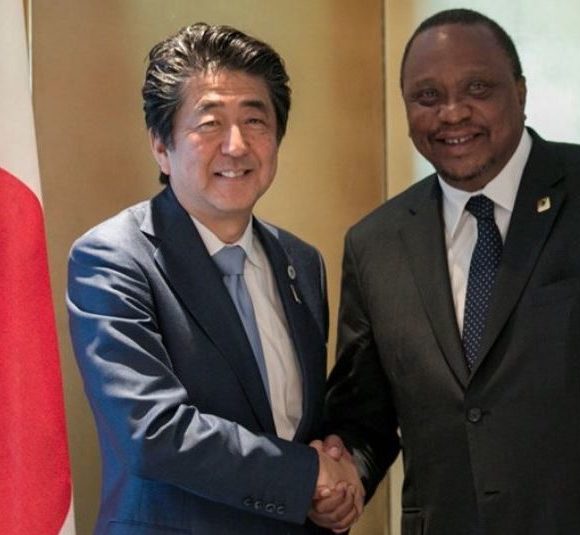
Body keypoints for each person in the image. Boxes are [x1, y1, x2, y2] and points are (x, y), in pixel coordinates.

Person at [320, 8, 580, 534]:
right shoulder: (374, 244)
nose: (452, 113)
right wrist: (340, 474)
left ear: (520, 92)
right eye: (426, 97)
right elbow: (364, 419)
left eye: (477, 87)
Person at [67, 23, 361, 535]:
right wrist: (308, 475)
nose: (236, 144)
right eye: (209, 123)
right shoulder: (112, 258)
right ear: (161, 145)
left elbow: (299, 422)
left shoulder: (302, 261)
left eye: (255, 120)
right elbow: (153, 433)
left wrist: (336, 470)